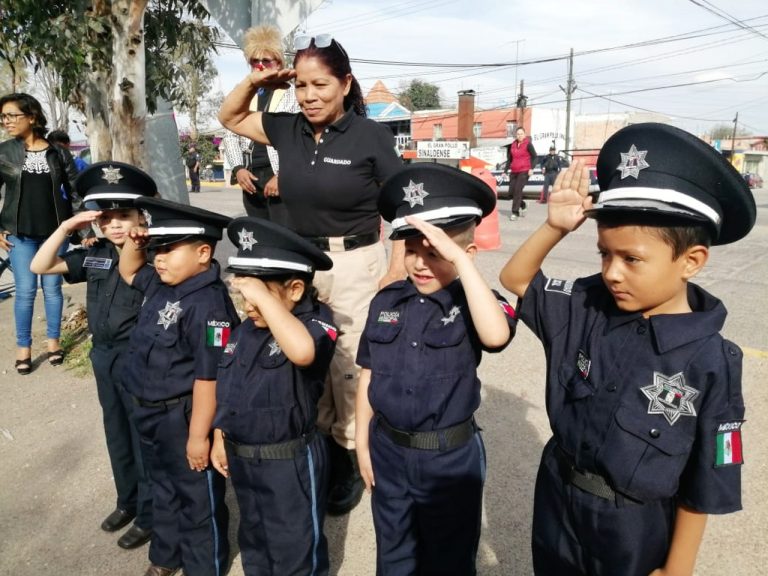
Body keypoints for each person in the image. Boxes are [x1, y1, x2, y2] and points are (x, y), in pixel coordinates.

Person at [499, 123, 756, 576]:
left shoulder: (711, 361)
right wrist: (554, 227)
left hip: (632, 529)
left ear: (691, 261)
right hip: (558, 501)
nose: (612, 273)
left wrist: (677, 568)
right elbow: (516, 280)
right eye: (604, 254)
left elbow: (706, 478)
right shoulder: (589, 306)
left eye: (631, 259)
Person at [219, 33, 405, 515]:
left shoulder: (370, 137)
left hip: (354, 263)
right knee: (305, 358)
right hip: (301, 262)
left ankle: (350, 455)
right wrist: (258, 80)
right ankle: (319, 443)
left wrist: (396, 268)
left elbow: (404, 208)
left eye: (320, 84)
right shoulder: (288, 129)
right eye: (300, 85)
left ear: (345, 83)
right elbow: (230, 118)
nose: (309, 96)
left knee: (347, 364)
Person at [356, 164, 517, 574]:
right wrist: (361, 444)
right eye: (412, 250)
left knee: (448, 561)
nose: (420, 264)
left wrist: (459, 261)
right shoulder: (387, 302)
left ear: (466, 254)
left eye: (434, 253)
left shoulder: (476, 301)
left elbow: (496, 335)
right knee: (393, 556)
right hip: (388, 450)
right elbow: (369, 374)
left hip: (448, 460)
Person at [30, 161, 156, 550]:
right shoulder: (94, 253)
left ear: (140, 217)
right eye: (106, 218)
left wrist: (141, 240)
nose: (115, 225)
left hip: (138, 359)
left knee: (142, 435)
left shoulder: (153, 254)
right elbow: (40, 265)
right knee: (116, 431)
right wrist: (67, 227)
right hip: (103, 356)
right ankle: (127, 500)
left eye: (124, 216)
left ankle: (150, 513)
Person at [210, 216, 338, 575]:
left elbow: (302, 352)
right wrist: (220, 435)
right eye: (244, 296)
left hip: (289, 464)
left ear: (295, 289)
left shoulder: (317, 324)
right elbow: (229, 387)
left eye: (259, 295)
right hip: (244, 459)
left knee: (294, 547)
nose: (248, 306)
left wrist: (265, 302)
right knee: (255, 540)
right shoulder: (245, 330)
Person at [118, 197, 237, 576]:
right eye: (156, 249)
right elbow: (128, 270)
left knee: (197, 496)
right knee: (163, 487)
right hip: (149, 411)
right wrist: (134, 242)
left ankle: (205, 566)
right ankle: (166, 556)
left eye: (169, 249)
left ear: (203, 253)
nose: (159, 258)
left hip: (182, 416)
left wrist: (199, 437)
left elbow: (209, 376)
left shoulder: (209, 305)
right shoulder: (162, 282)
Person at [0, 92, 80, 375]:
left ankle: (53, 343)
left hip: (54, 234)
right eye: (3, 117)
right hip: (19, 234)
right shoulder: (3, 152)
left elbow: (75, 193)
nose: (6, 121)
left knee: (53, 290)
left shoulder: (58, 153)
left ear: (32, 117)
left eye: (12, 115)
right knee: (24, 292)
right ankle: (24, 348)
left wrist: (84, 230)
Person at [220, 25, 300, 224]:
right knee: (258, 233)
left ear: (278, 62)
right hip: (251, 175)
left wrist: (283, 175)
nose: (260, 65)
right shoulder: (244, 94)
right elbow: (230, 133)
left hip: (280, 176)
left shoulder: (294, 93)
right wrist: (238, 169)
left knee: (284, 234)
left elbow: (298, 139)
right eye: (255, 61)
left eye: (266, 60)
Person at [508, 126, 537, 220]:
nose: (519, 135)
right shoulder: (513, 144)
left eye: (521, 134)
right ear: (516, 135)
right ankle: (523, 204)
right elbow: (510, 159)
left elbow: (535, 157)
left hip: (524, 170)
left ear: (524, 135)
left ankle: (515, 213)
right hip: (514, 171)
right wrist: (504, 171)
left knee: (517, 190)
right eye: (518, 134)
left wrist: (531, 168)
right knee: (511, 192)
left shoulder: (528, 144)